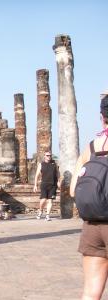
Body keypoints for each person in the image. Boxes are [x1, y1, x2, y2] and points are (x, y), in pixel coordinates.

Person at [70, 93, 108, 300]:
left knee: (91, 292)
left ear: (102, 117)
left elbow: (73, 189)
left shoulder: (91, 147)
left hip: (93, 226)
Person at [33, 150, 60, 221]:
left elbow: (57, 173)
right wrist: (35, 185)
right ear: (44, 156)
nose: (49, 157)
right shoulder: (41, 164)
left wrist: (58, 181)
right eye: (47, 155)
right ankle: (40, 211)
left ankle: (47, 215)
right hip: (44, 184)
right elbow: (37, 175)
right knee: (43, 200)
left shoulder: (54, 164)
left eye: (50, 155)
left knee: (50, 201)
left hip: (53, 185)